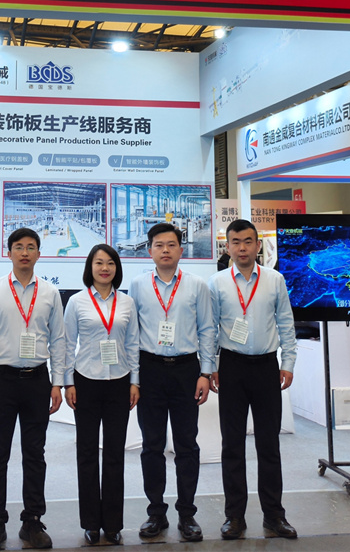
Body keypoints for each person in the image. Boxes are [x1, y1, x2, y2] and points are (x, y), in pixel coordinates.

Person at [0, 228, 66, 551]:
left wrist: (57, 382)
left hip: (37, 380)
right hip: (1, 380)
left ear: (39, 253)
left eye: (31, 247)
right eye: (19, 247)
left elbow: (59, 340)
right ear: (8, 252)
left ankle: (32, 521)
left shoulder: (50, 293)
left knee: (34, 454)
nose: (25, 252)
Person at [208, 219, 298, 540]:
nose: (242, 248)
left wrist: (288, 362)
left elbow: (286, 323)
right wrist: (210, 366)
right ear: (228, 247)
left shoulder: (275, 280)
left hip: (266, 368)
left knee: (268, 445)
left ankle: (274, 515)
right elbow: (209, 328)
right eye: (236, 242)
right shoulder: (217, 283)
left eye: (248, 241)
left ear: (258, 246)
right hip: (231, 367)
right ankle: (235, 517)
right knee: (232, 446)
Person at [130, 224, 215, 542]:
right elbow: (132, 334)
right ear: (149, 250)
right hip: (150, 370)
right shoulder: (138, 285)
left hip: (186, 370)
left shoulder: (196, 285)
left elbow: (207, 329)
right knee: (151, 446)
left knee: (186, 445)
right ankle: (156, 513)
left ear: (181, 249)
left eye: (171, 244)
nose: (165, 250)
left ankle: (187, 514)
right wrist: (135, 379)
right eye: (158, 245)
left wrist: (205, 373)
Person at [63, 244, 140, 546]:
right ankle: (91, 523)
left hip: (119, 381)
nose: (105, 268)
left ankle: (113, 523)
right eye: (99, 263)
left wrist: (135, 381)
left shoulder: (127, 302)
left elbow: (132, 343)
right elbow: (68, 344)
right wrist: (68, 382)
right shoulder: (77, 302)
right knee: (86, 453)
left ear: (117, 268)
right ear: (90, 267)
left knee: (114, 453)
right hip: (86, 380)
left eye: (110, 263)